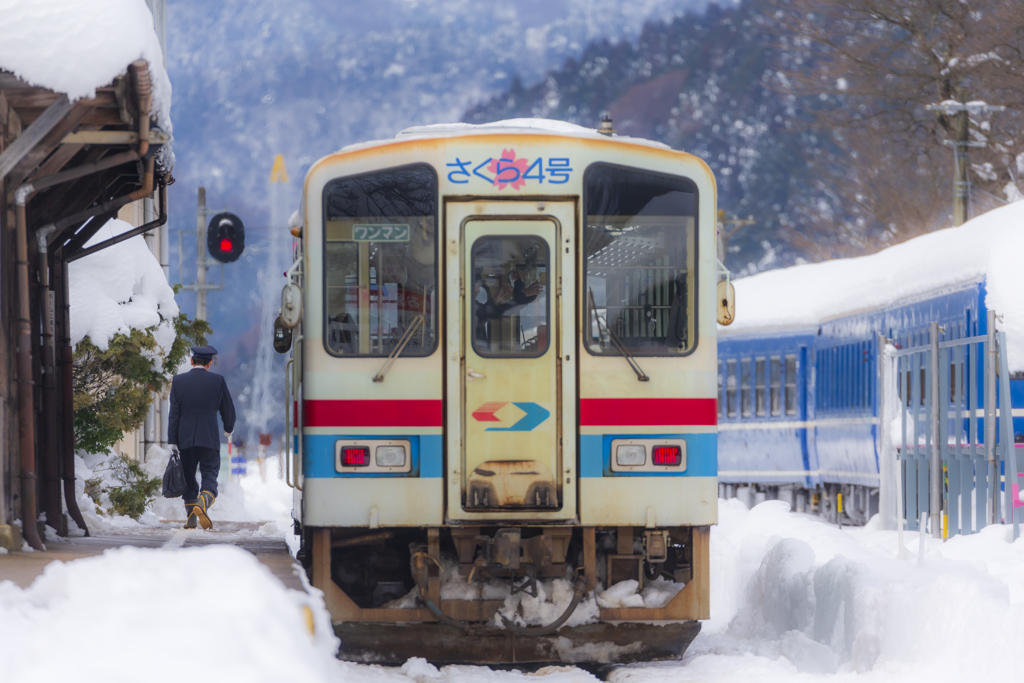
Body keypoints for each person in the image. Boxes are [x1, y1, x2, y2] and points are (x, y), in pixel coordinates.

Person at [167, 345, 236, 530]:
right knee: (210, 476)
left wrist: (172, 440)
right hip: (209, 438)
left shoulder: (179, 381)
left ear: (192, 361)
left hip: (185, 439)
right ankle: (202, 504)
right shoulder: (218, 381)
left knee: (189, 478)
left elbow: (174, 413)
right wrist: (228, 428)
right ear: (210, 363)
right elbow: (227, 409)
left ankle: (191, 519)